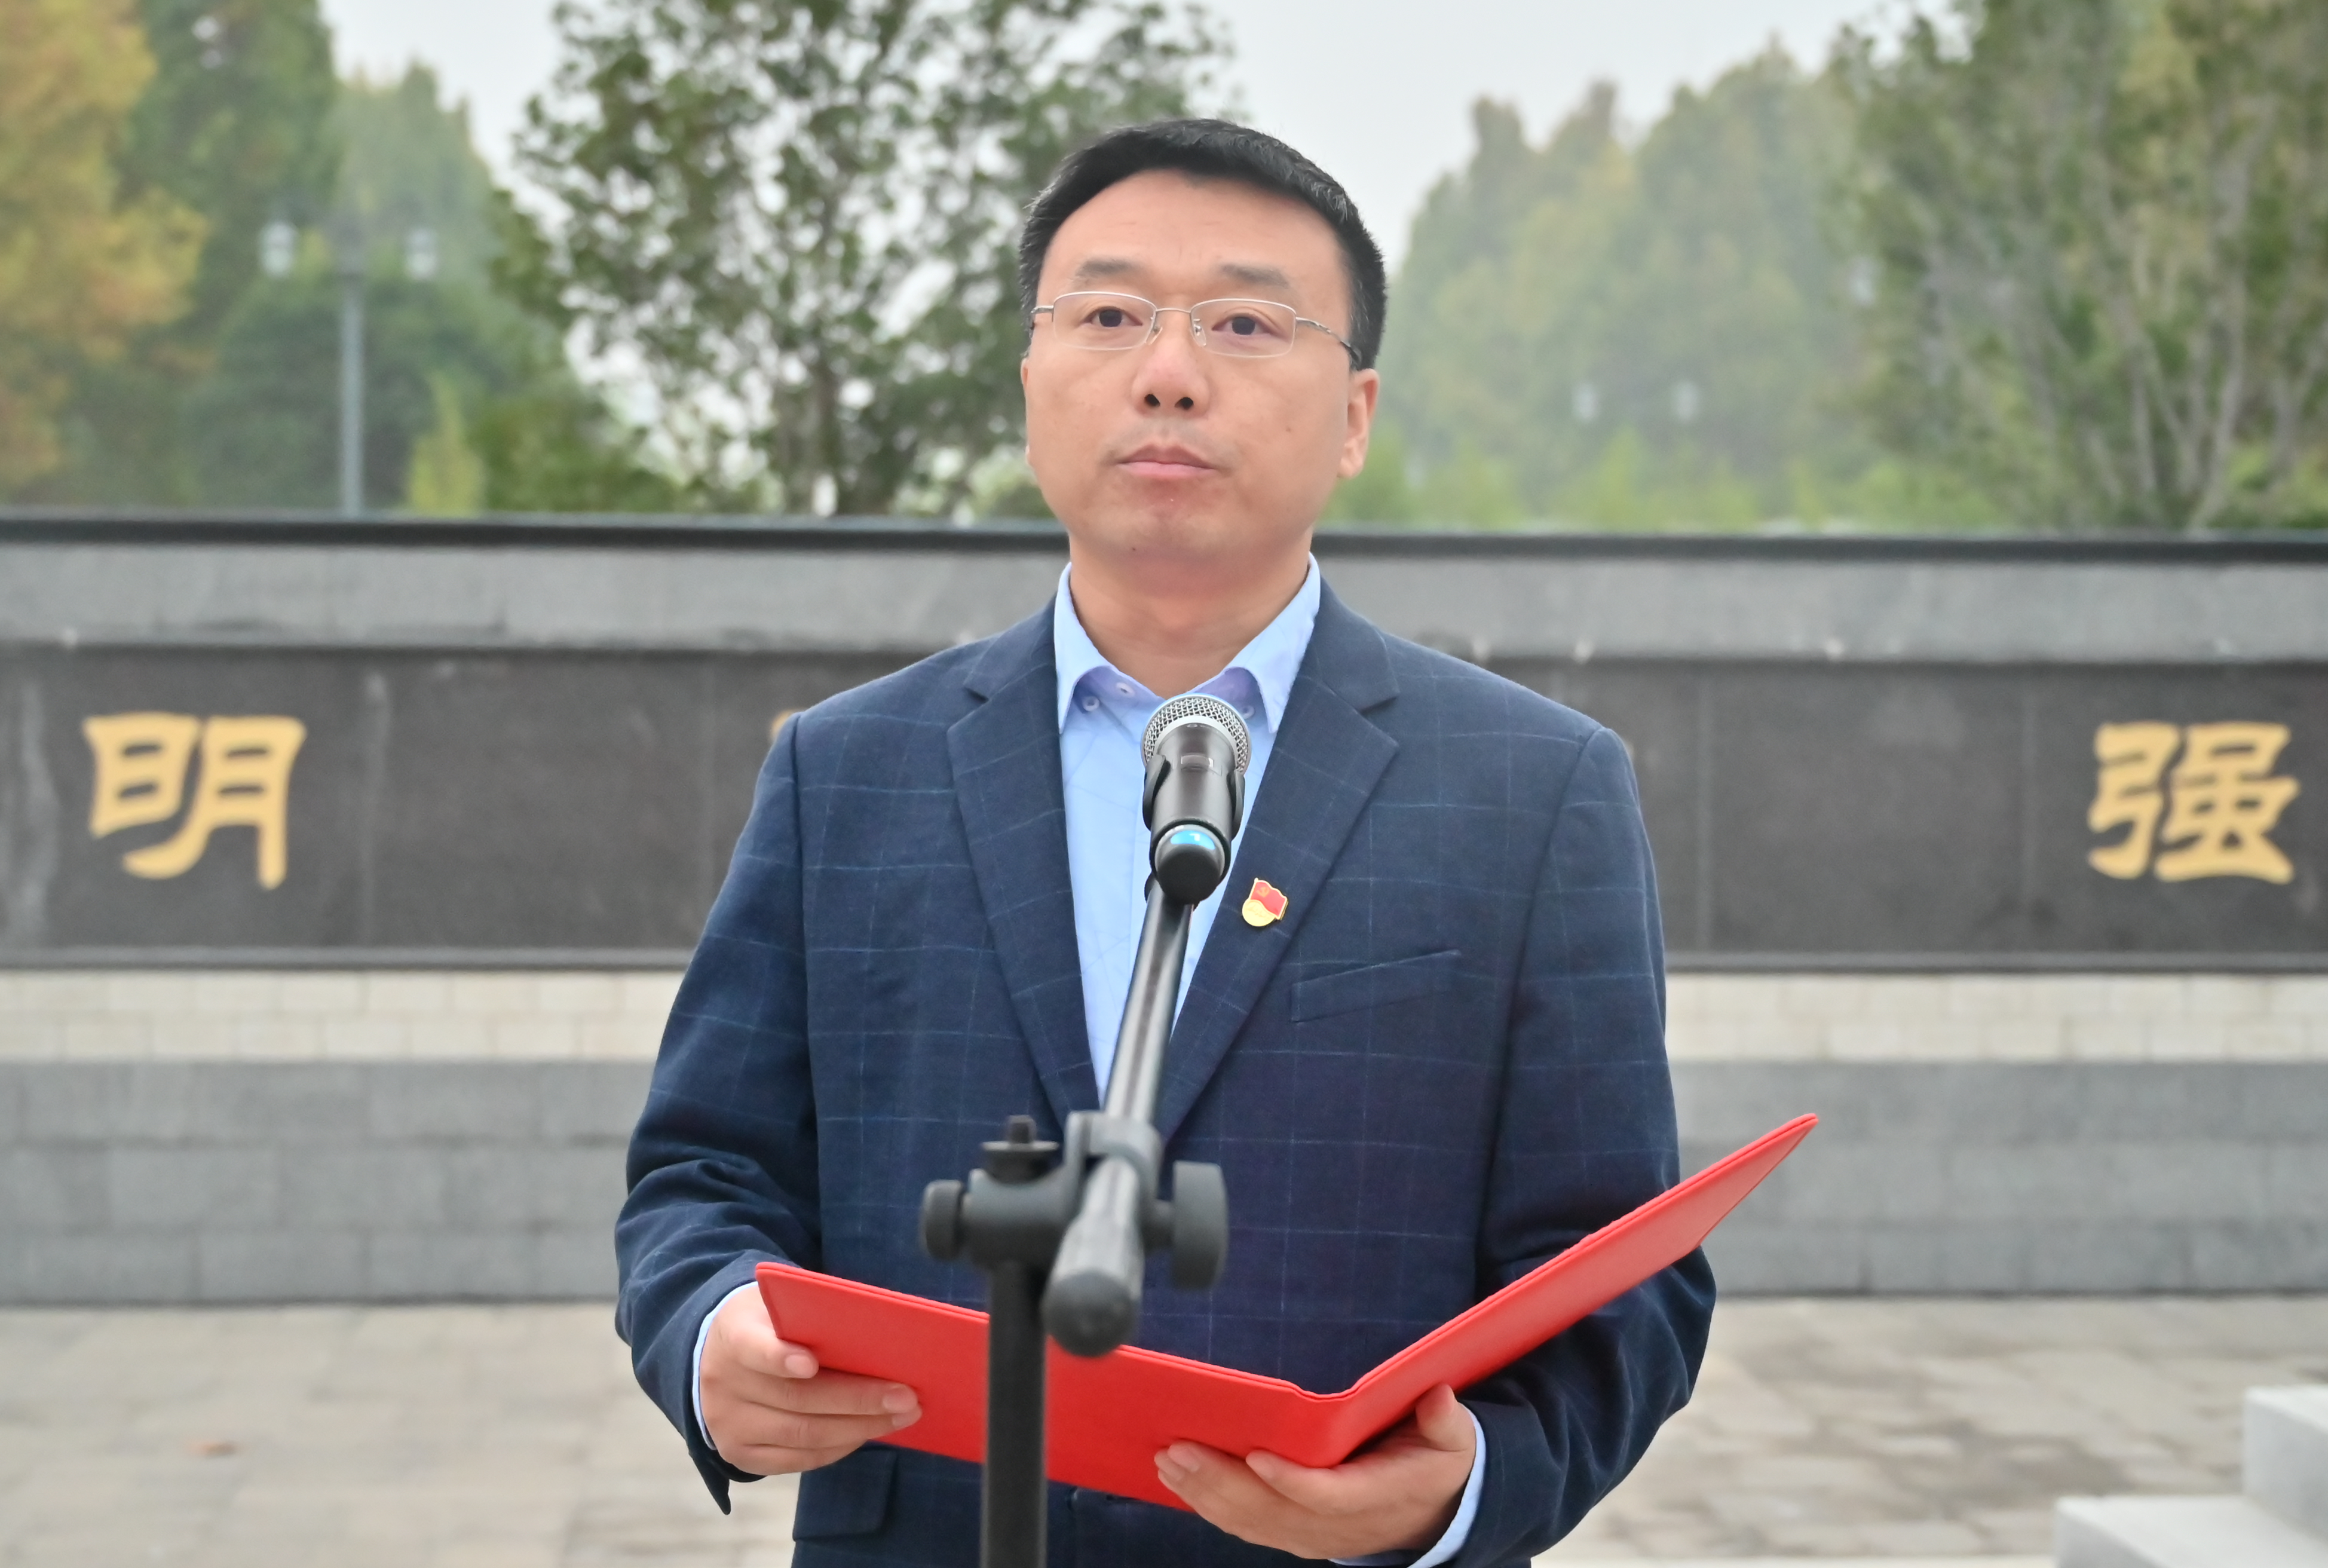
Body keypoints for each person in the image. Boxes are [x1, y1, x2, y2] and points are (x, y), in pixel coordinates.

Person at [616, 118, 1711, 1567]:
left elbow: (1619, 1269)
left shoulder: (1535, 788)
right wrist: (713, 1338)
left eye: (1246, 323)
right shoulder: (849, 770)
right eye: (1109, 314)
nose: (1169, 371)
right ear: (1030, 386)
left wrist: (1467, 1486)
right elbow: (706, 1173)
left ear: (1356, 416)